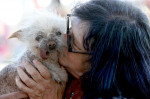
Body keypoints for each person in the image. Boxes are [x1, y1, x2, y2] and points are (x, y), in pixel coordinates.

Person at [1, 0, 150, 98]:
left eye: (73, 41)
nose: (62, 39)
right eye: (69, 29)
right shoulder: (47, 67)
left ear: (99, 63)